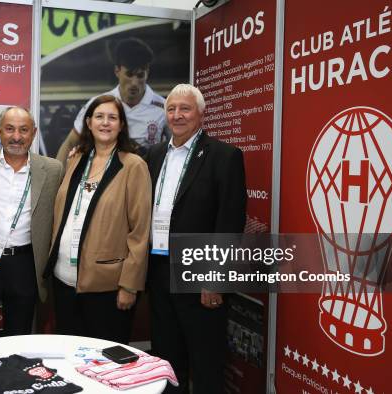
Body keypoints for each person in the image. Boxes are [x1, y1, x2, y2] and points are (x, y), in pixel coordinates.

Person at [145, 84, 247, 394]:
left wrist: (215, 279)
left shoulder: (224, 156)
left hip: (198, 275)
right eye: (171, 109)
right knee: (166, 361)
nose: (177, 115)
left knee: (206, 364)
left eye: (185, 109)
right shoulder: (154, 154)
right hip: (158, 270)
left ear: (201, 114)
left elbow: (230, 222)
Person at [44, 94, 151, 344]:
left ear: (121, 125)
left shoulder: (133, 165)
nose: (105, 123)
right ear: (88, 122)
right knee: (70, 356)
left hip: (108, 288)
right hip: (64, 280)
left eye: (112, 117)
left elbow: (140, 231)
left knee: (104, 363)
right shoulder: (76, 158)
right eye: (99, 117)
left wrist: (129, 285)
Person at [0, 107, 63, 342]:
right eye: (9, 129)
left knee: (18, 338)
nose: (16, 136)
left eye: (23, 130)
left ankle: (12, 379)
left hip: (25, 265)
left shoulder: (52, 170)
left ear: (34, 133)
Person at [55, 38, 168, 162]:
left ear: (148, 73)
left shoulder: (163, 107)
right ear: (117, 71)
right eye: (129, 75)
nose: (134, 83)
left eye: (140, 75)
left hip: (145, 176)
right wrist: (58, 179)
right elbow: (70, 143)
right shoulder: (100, 104)